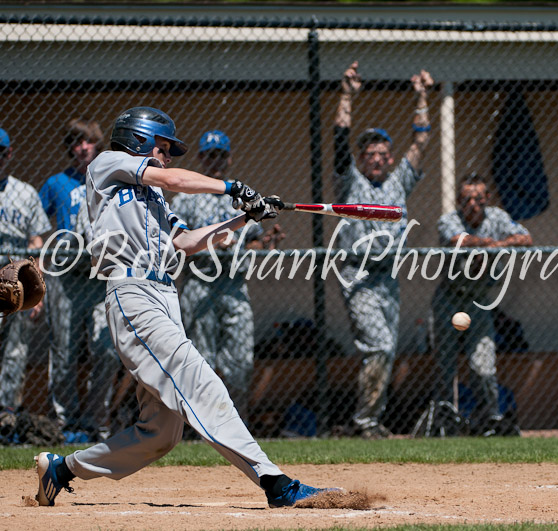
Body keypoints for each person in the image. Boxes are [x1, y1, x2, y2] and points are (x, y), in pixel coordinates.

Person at [35, 107, 337, 508]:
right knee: (200, 381)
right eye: (165, 146)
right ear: (140, 139)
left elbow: (187, 241)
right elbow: (174, 178)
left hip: (164, 295)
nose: (170, 155)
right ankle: (275, 483)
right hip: (132, 291)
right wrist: (231, 186)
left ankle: (62, 469)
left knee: (160, 434)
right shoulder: (107, 164)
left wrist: (243, 219)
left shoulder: (153, 195)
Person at [332, 60, 434, 438]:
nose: (376, 157)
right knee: (379, 345)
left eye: (382, 152)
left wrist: (422, 96)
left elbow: (421, 141)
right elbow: (340, 139)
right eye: (369, 153)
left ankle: (370, 419)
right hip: (356, 273)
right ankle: (366, 421)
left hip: (388, 276)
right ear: (362, 159)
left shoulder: (398, 183)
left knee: (385, 351)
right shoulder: (349, 183)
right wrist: (346, 96)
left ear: (390, 158)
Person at [171, 130, 284, 425]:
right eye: (210, 156)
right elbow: (176, 244)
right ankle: (203, 427)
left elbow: (255, 241)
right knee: (201, 361)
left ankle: (237, 425)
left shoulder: (242, 196)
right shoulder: (186, 198)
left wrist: (264, 244)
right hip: (199, 283)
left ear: (229, 158)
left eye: (221, 155)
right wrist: (213, 242)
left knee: (240, 362)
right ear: (201, 159)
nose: (216, 161)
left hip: (234, 286)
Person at [432, 173, 532, 436]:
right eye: (466, 199)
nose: (473, 204)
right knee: (445, 365)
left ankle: (491, 419)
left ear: (487, 199)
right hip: (450, 298)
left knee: (484, 365)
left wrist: (497, 244)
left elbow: (525, 238)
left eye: (478, 198)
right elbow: (456, 240)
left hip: (479, 301)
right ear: (458, 201)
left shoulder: (497, 217)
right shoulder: (450, 219)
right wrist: (485, 244)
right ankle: (445, 422)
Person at [39, 118, 119, 443]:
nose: (82, 147)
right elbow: (36, 230)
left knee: (107, 350)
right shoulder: (56, 183)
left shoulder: (109, 182)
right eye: (75, 142)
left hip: (99, 279)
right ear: (69, 148)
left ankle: (96, 423)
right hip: (65, 280)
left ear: (97, 146)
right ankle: (65, 424)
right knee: (63, 352)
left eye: (87, 142)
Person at [0, 127, 51, 413]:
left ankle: (6, 413)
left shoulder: (25, 193)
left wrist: (37, 288)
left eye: (0, 152)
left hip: (15, 283)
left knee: (16, 350)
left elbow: (35, 241)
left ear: (8, 154)